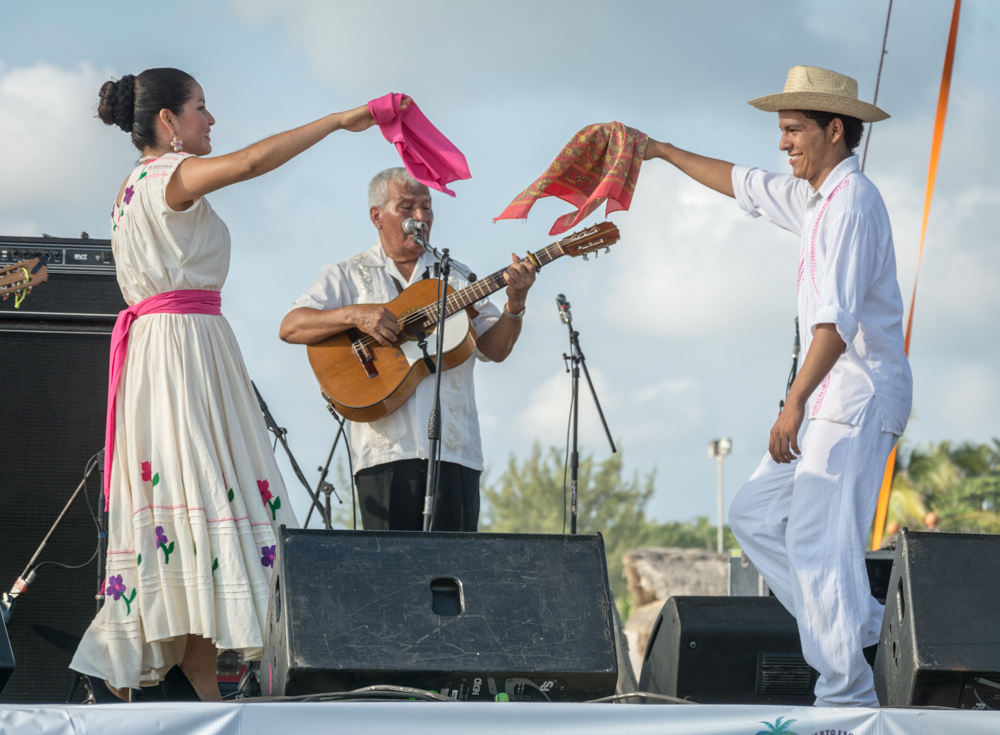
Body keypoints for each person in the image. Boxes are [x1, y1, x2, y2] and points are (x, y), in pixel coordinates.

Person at [71, 67, 380, 701]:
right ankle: (172, 674)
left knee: (193, 495)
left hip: (170, 351)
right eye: (200, 107)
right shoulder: (169, 175)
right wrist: (336, 121)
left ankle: (195, 673)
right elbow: (250, 164)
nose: (210, 119)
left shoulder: (131, 187)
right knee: (206, 487)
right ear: (168, 121)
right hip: (183, 352)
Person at [642, 66, 913, 707]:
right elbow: (740, 182)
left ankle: (846, 696)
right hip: (829, 397)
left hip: (857, 396)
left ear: (834, 130)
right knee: (756, 515)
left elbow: (837, 324)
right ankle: (864, 626)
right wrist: (658, 150)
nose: (783, 142)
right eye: (782, 130)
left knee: (819, 540)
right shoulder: (814, 199)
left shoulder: (853, 203)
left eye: (793, 129)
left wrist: (793, 403)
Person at [279, 167, 536, 532]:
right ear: (377, 216)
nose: (420, 217)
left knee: (456, 564)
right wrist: (354, 315)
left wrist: (516, 302)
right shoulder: (347, 274)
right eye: (407, 207)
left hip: (454, 453)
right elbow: (291, 326)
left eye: (427, 207)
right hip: (383, 456)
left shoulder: (456, 278)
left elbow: (495, 349)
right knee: (391, 567)